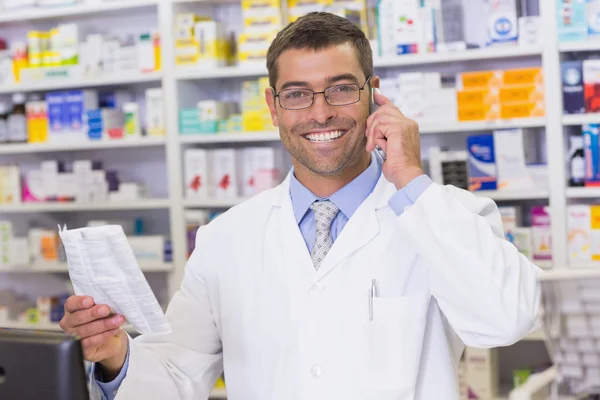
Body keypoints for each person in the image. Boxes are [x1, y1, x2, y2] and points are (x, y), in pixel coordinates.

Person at [59, 12, 542, 400]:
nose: (320, 112)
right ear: (273, 107)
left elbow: (505, 321)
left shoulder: (448, 215)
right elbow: (176, 376)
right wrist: (116, 354)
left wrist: (409, 179)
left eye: (341, 88)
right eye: (297, 95)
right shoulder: (225, 239)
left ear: (374, 95)